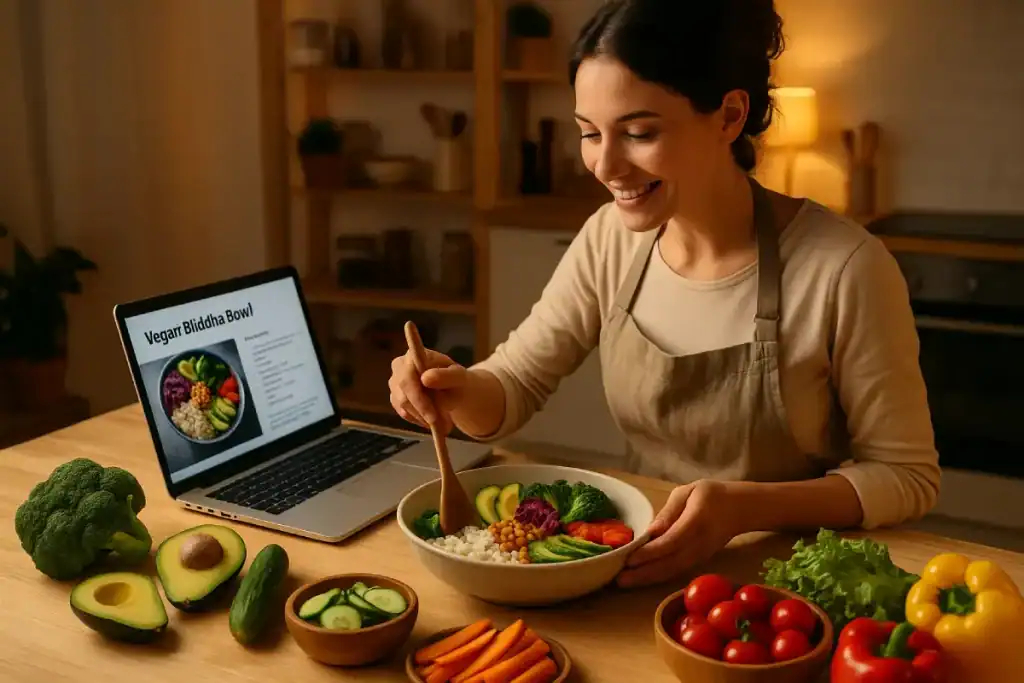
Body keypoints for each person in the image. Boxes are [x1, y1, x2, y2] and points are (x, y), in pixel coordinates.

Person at [387, 0, 939, 587]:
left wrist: (745, 507)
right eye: (589, 134)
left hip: (787, 588)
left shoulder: (845, 268)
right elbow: (515, 385)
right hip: (642, 564)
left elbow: (907, 477)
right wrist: (456, 389)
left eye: (639, 133)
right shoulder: (610, 240)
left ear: (729, 116)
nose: (605, 164)